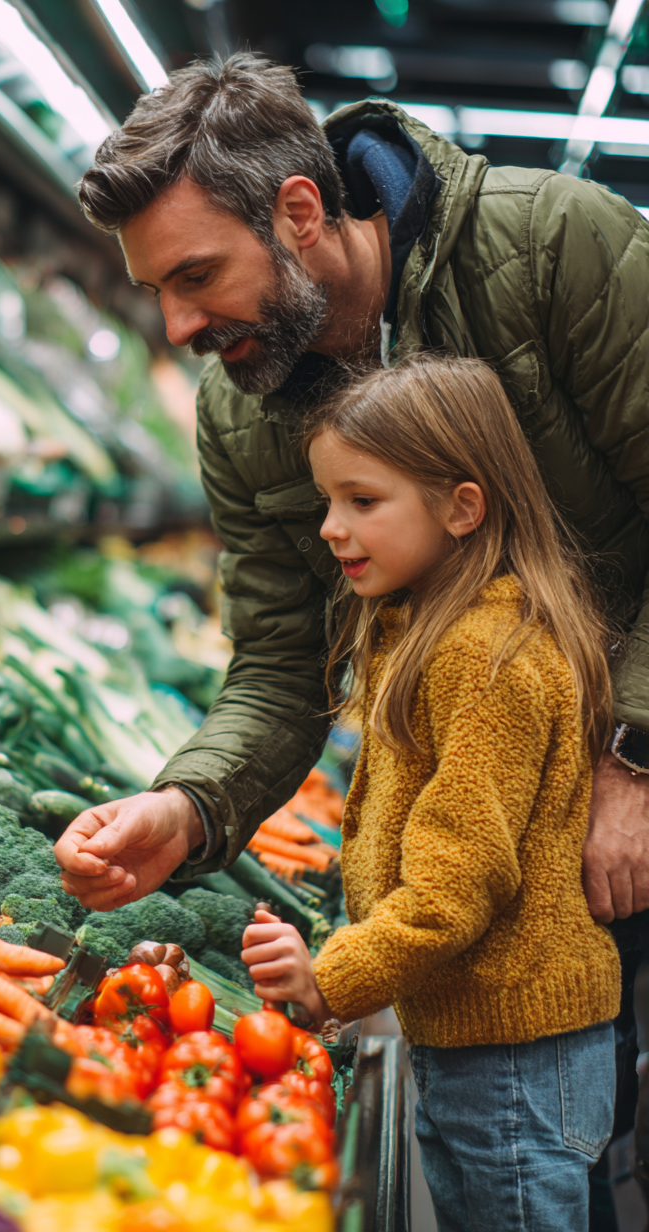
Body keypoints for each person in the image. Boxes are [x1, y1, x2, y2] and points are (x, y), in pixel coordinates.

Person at [54, 55, 649, 1211]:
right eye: (155, 293)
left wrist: (632, 754)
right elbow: (281, 660)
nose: (177, 324)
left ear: (298, 212)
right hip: (488, 897)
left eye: (195, 275)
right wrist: (192, 804)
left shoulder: (553, 250)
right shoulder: (243, 407)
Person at [241, 353, 620, 1231]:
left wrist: (330, 977)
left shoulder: (480, 657)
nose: (332, 527)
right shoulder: (437, 627)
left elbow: (458, 885)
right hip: (485, 1038)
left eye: (362, 502)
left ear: (462, 507)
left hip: (517, 1057)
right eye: (328, 500)